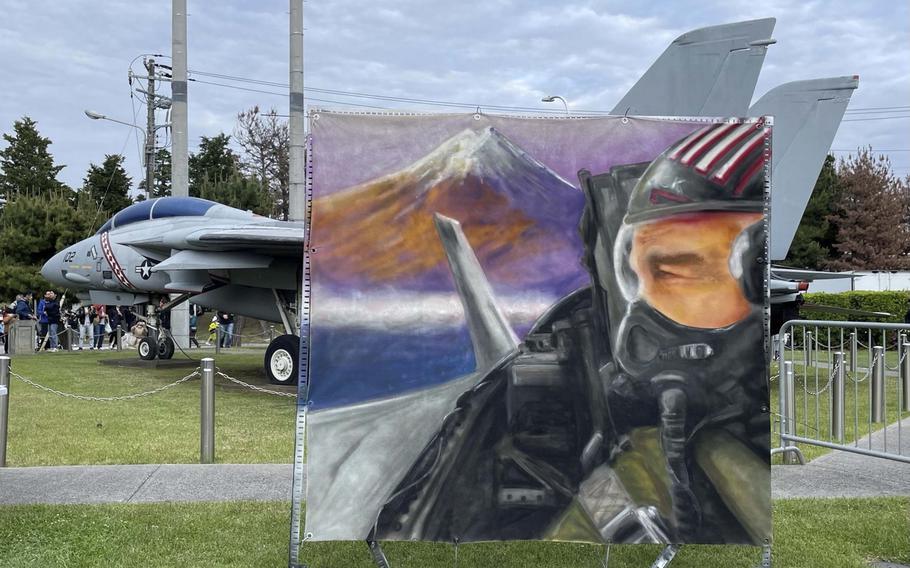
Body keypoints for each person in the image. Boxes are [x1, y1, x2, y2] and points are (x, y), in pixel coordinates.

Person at [374, 121, 770, 545]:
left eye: (679, 272)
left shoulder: (707, 460)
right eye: (635, 277)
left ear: (758, 276)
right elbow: (588, 523)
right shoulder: (649, 462)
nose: (639, 326)